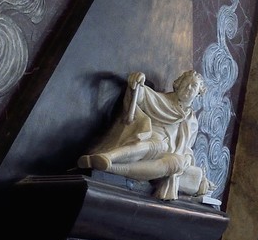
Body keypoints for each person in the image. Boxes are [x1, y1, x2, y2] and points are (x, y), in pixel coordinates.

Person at [79, 70, 211, 201]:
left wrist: (187, 159)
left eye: (193, 86)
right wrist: (137, 82)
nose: (188, 88)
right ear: (178, 84)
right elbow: (142, 95)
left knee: (176, 163)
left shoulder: (192, 122)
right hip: (150, 141)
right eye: (186, 83)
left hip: (164, 158)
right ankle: (108, 157)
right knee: (158, 145)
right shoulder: (163, 100)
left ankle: (109, 167)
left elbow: (187, 149)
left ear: (198, 93)